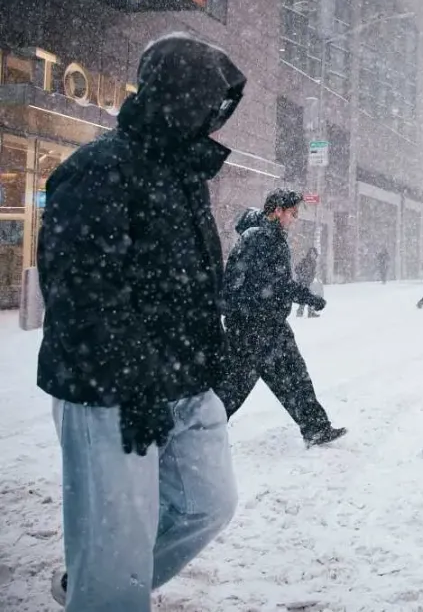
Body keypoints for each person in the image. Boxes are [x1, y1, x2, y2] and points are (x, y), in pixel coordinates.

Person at [36, 32, 243, 612]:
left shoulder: (184, 175)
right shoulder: (98, 169)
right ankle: (105, 589)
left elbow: (190, 286)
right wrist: (133, 381)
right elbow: (82, 296)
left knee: (209, 504)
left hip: (180, 383)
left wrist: (212, 357)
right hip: (109, 392)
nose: (215, 119)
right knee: (116, 544)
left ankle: (97, 587)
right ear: (178, 99)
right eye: (208, 104)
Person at [217, 189, 346, 447]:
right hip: (254, 329)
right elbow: (274, 285)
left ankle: (316, 427)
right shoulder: (262, 239)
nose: (294, 219)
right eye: (292, 213)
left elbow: (275, 285)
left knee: (294, 377)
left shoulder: (266, 237)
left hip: (268, 326)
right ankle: (195, 432)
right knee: (232, 389)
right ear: (277, 211)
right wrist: (309, 298)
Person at [295, 247, 319, 318]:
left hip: (309, 282)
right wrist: (302, 277)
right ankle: (301, 312)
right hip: (303, 282)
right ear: (309, 254)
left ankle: (309, 312)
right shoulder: (305, 261)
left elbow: (312, 272)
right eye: (311, 253)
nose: (313, 255)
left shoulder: (314, 262)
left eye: (314, 254)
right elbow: (296, 269)